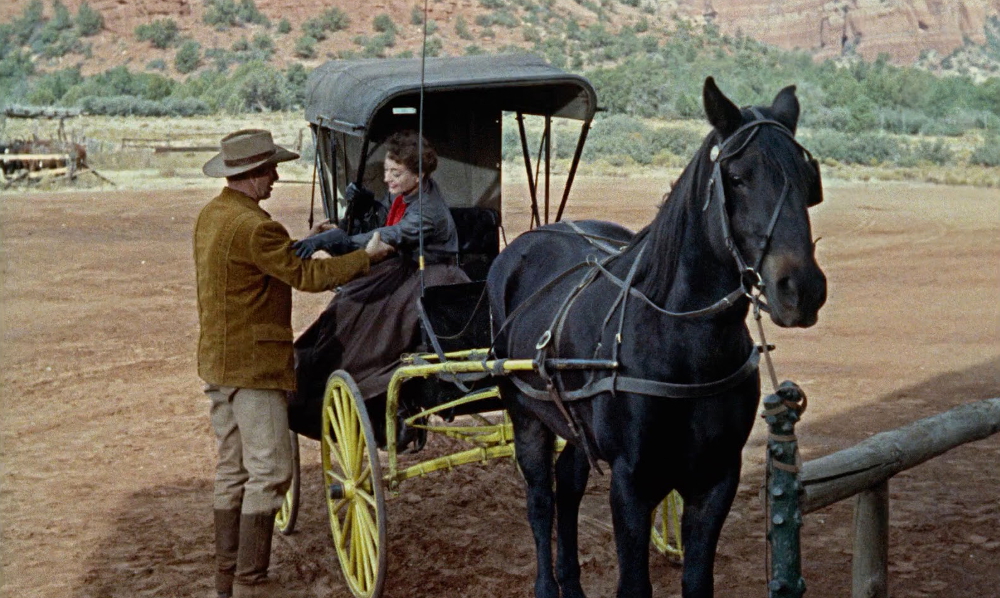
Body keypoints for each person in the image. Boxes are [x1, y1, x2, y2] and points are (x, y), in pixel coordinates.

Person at [193, 128, 392, 598]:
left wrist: (312, 240)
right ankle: (251, 582)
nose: (276, 177)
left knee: (233, 469)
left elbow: (266, 261)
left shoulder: (214, 215)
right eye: (269, 170)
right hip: (254, 369)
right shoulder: (257, 226)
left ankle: (227, 579)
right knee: (272, 472)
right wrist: (365, 257)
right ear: (249, 174)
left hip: (219, 364)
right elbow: (305, 276)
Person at [288, 130, 470, 443]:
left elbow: (389, 236)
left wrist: (336, 240)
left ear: (419, 174)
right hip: (406, 271)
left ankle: (369, 386)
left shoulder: (427, 210)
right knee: (348, 302)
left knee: (372, 321)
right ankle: (313, 370)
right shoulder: (407, 193)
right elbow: (384, 219)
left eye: (396, 173)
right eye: (386, 170)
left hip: (435, 278)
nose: (387, 178)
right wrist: (367, 206)